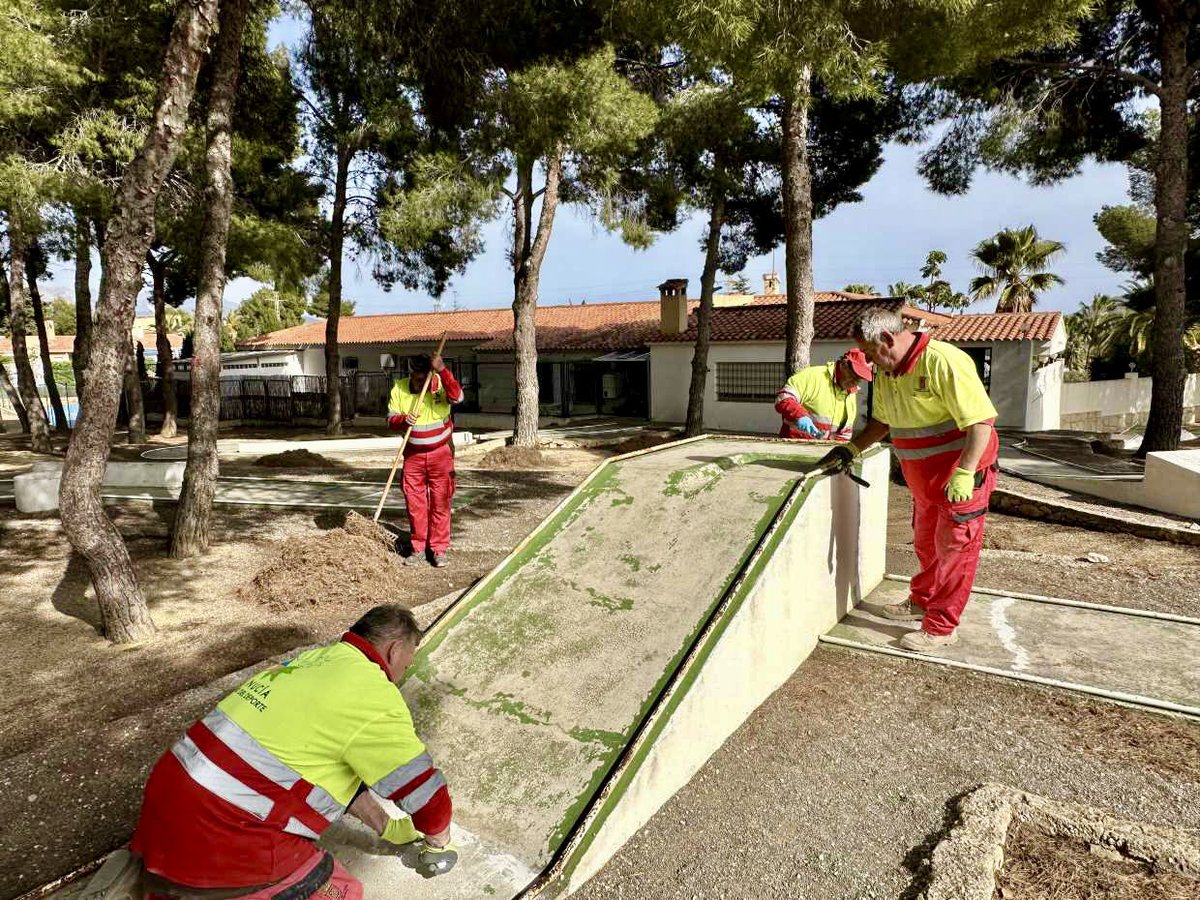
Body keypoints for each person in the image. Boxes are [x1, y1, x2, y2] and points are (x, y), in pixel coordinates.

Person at [131, 605, 457, 898]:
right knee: (343, 892)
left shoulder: (309, 661)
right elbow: (425, 794)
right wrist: (438, 843)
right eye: (408, 661)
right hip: (221, 841)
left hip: (161, 815)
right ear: (394, 650)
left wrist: (385, 825)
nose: (401, 674)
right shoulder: (374, 693)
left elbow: (321, 772)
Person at [818, 307, 999, 652]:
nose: (870, 363)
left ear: (887, 338)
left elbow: (980, 422)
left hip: (959, 478)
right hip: (925, 483)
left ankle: (941, 628)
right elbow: (882, 423)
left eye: (871, 352)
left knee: (955, 550)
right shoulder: (888, 373)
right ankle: (922, 600)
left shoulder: (944, 361)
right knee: (927, 545)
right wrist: (850, 450)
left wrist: (964, 472)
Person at [388, 353, 464, 568]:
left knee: (441, 502)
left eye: (427, 378)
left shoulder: (440, 383)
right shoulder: (399, 389)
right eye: (419, 379)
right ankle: (418, 547)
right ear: (411, 375)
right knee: (415, 504)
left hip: (441, 454)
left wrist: (442, 370)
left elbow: (458, 397)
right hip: (412, 456)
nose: (424, 384)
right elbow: (390, 420)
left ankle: (438, 549)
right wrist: (402, 420)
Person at [775, 349, 874, 441]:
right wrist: (799, 415)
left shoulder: (850, 392)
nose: (855, 382)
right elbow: (784, 397)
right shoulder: (813, 376)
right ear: (843, 364)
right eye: (853, 375)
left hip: (822, 452)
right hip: (793, 448)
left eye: (859, 379)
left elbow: (845, 433)